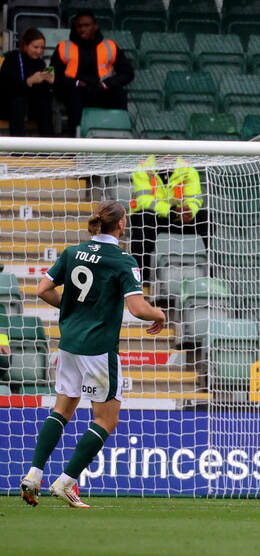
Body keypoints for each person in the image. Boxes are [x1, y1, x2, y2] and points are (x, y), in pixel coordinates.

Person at [19, 200, 165, 508]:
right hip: (98, 349)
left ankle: (33, 475)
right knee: (106, 420)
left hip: (69, 344)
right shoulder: (122, 259)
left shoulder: (73, 252)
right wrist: (159, 314)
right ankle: (67, 481)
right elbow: (138, 309)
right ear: (121, 225)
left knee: (62, 409)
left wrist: (73, 310)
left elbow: (42, 289)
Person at [126, 154, 209, 284]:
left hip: (179, 216)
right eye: (164, 156)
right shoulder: (143, 169)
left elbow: (195, 198)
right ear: (156, 155)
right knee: (144, 220)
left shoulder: (187, 170)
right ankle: (141, 276)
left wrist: (189, 211)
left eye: (170, 157)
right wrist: (171, 210)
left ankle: (210, 273)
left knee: (205, 218)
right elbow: (144, 201)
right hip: (153, 216)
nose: (167, 159)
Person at [51, 11, 134, 135]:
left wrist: (107, 84)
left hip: (103, 90)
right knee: (74, 97)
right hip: (76, 91)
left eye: (87, 25)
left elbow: (128, 73)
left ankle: (119, 139)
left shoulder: (109, 46)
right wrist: (76, 83)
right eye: (79, 26)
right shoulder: (63, 47)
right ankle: (75, 147)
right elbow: (54, 76)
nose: (83, 29)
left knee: (119, 93)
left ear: (95, 26)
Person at [0, 27, 53, 136]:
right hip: (9, 104)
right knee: (17, 101)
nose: (39, 51)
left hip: (31, 104)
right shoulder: (12, 59)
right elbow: (9, 87)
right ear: (25, 45)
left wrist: (49, 82)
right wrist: (30, 81)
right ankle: (18, 147)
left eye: (42, 48)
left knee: (43, 102)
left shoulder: (40, 63)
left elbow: (40, 92)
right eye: (35, 47)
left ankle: (47, 146)